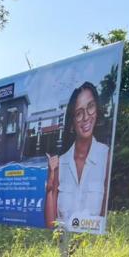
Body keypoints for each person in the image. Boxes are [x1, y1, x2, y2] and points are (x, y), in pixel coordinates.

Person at [45, 82, 111, 229]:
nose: (86, 117)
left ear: (97, 110)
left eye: (91, 107)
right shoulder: (60, 164)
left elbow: (106, 218)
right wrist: (50, 186)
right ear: (72, 122)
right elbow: (50, 225)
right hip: (62, 243)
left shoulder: (106, 156)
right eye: (79, 113)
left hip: (94, 247)